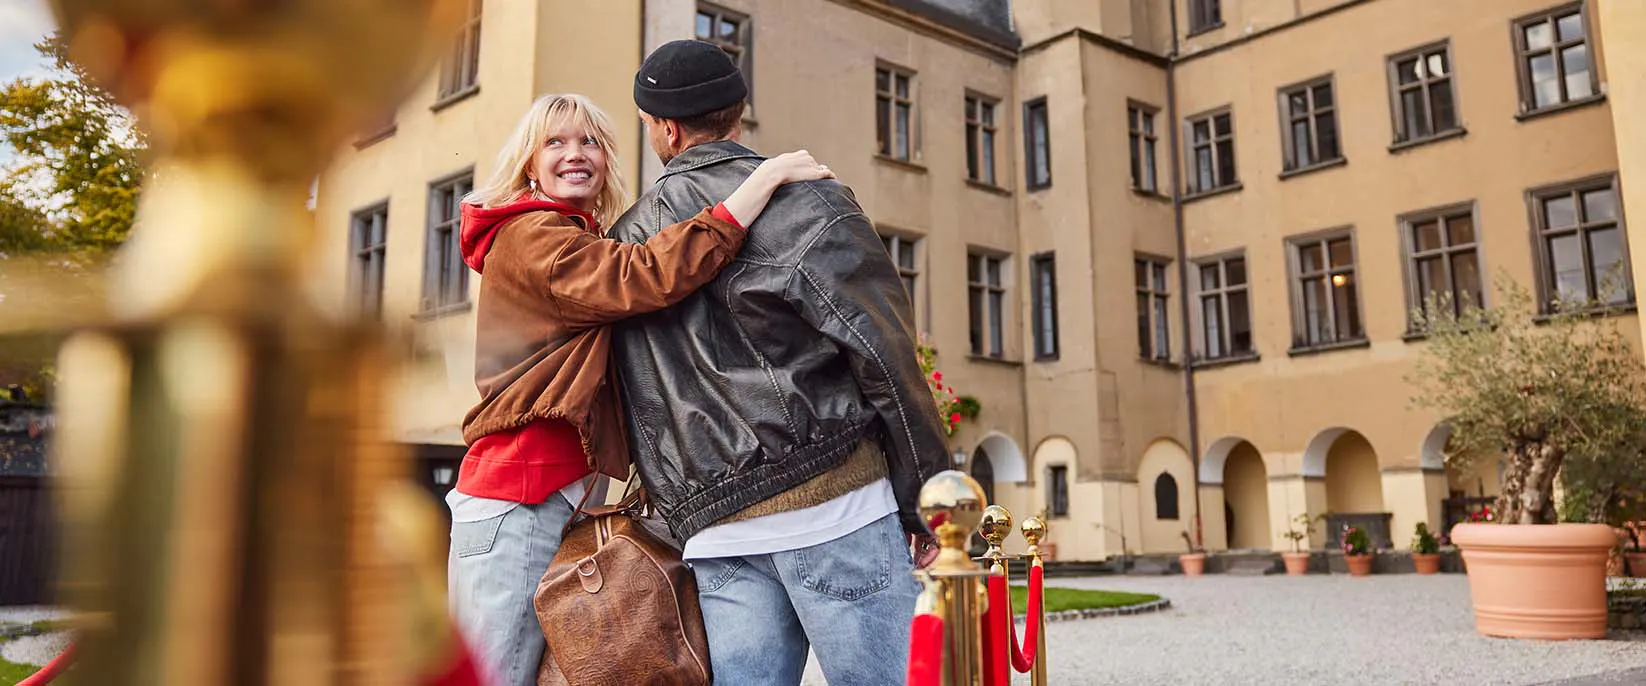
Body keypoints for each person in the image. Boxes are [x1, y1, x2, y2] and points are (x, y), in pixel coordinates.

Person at [446, 92, 833, 686]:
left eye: (590, 141)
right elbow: (641, 275)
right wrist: (758, 184)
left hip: (546, 494)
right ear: (529, 163)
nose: (576, 153)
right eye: (555, 142)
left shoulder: (571, 234)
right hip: (518, 494)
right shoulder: (533, 235)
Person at [606, 41, 950, 685]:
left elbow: (633, 394)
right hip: (834, 502)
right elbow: (884, 353)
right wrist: (926, 497)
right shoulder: (809, 199)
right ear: (738, 111)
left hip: (717, 530)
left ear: (665, 129)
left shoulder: (625, 246)